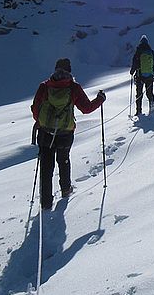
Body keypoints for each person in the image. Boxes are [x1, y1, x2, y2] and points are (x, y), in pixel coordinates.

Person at [31, 58, 105, 210]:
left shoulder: (45, 86)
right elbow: (86, 108)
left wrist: (41, 122)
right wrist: (100, 99)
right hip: (65, 133)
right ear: (69, 71)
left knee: (46, 166)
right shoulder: (73, 87)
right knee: (63, 160)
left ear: (55, 70)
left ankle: (46, 202)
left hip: (45, 133)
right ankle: (65, 190)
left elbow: (36, 110)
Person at [130, 35, 154, 114]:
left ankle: (138, 112)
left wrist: (132, 72)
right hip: (149, 77)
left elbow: (134, 65)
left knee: (139, 94)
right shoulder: (152, 53)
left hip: (139, 77)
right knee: (149, 93)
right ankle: (152, 108)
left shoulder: (138, 53)